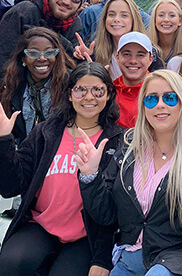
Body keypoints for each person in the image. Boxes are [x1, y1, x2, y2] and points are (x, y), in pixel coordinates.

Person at [77, 69, 182, 276]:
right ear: (143, 106)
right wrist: (90, 176)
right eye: (151, 99)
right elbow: (106, 215)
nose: (160, 104)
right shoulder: (128, 147)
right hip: (129, 257)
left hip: (177, 260)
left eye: (170, 98)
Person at [0, 62, 124, 275]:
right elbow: (11, 187)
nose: (89, 97)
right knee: (12, 263)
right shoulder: (46, 132)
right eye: (80, 89)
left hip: (88, 235)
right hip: (42, 226)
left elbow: (113, 211)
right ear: (69, 94)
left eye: (98, 90)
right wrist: (4, 141)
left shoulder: (118, 141)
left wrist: (102, 258)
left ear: (109, 95)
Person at [0, 0, 88, 78]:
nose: (66, 1)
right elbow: (4, 56)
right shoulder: (24, 11)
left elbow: (70, 63)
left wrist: (82, 57)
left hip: (51, 88)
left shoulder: (75, 23)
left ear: (80, 4)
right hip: (16, 84)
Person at [0, 27, 75, 144]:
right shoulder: (11, 86)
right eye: (33, 53)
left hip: (62, 154)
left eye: (49, 52)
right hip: (26, 155)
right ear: (23, 57)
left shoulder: (71, 83)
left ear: (57, 56)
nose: (42, 58)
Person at [75, 0, 149, 80]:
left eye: (124, 15)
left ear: (133, 19)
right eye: (111, 14)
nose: (116, 19)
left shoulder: (149, 51)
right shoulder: (95, 50)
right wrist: (82, 59)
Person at [114, 32, 154, 128]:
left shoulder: (160, 91)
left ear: (150, 59)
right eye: (126, 54)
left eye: (140, 55)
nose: (133, 61)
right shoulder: (109, 91)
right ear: (117, 58)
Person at [149, 0, 182, 65]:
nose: (166, 20)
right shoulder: (147, 47)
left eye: (172, 15)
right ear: (154, 20)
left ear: (180, 21)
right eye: (161, 15)